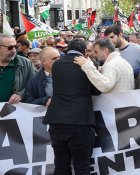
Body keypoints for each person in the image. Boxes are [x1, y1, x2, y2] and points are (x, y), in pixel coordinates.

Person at [42, 39, 101, 175]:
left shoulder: (57, 64)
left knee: (61, 166)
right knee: (81, 167)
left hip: (56, 121)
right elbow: (97, 90)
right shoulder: (89, 64)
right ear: (85, 52)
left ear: (67, 50)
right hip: (79, 122)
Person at [0, 34, 36, 104]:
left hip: (15, 110)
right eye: (10, 48)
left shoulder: (25, 63)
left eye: (16, 47)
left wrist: (21, 94)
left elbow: (35, 83)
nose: (14, 50)